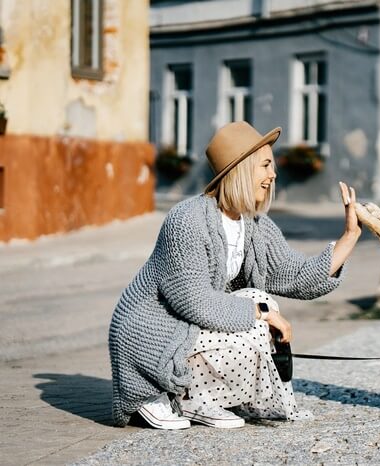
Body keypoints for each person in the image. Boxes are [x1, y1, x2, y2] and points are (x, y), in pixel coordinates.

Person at [108, 121, 361, 429]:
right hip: (152, 335)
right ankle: (166, 395)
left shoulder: (253, 224)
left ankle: (202, 399)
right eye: (265, 165)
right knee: (258, 311)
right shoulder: (186, 221)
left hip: (189, 329)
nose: (273, 175)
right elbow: (195, 302)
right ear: (240, 169)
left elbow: (295, 275)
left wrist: (349, 236)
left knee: (260, 301)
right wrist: (262, 314)